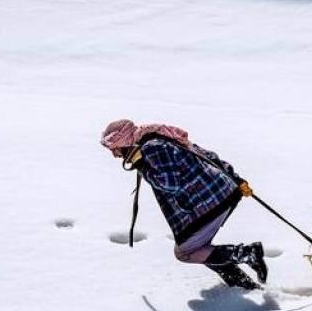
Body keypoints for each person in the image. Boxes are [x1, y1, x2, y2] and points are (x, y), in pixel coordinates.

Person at [100, 119, 268, 289]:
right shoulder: (159, 137)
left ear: (124, 141)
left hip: (209, 201)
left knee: (186, 252)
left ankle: (248, 254)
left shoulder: (151, 147)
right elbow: (205, 154)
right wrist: (236, 179)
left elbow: (171, 184)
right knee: (203, 249)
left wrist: (141, 165)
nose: (115, 154)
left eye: (114, 148)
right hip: (223, 192)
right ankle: (242, 285)